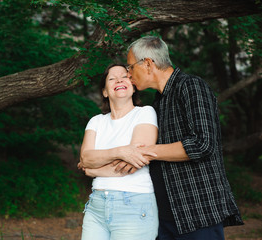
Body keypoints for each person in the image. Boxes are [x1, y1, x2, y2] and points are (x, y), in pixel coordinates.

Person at [119, 35, 243, 239]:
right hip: (163, 217)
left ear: (148, 64)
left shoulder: (191, 86)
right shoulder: (157, 104)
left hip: (197, 213)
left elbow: (202, 144)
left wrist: (145, 152)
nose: (128, 73)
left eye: (130, 66)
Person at [78, 63, 159, 240]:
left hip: (134, 204)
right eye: (112, 78)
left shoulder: (145, 113)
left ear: (133, 86)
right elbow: (85, 158)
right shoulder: (96, 121)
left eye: (124, 76)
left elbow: (132, 163)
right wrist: (119, 151)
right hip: (97, 206)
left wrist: (93, 170)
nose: (119, 80)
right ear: (105, 92)